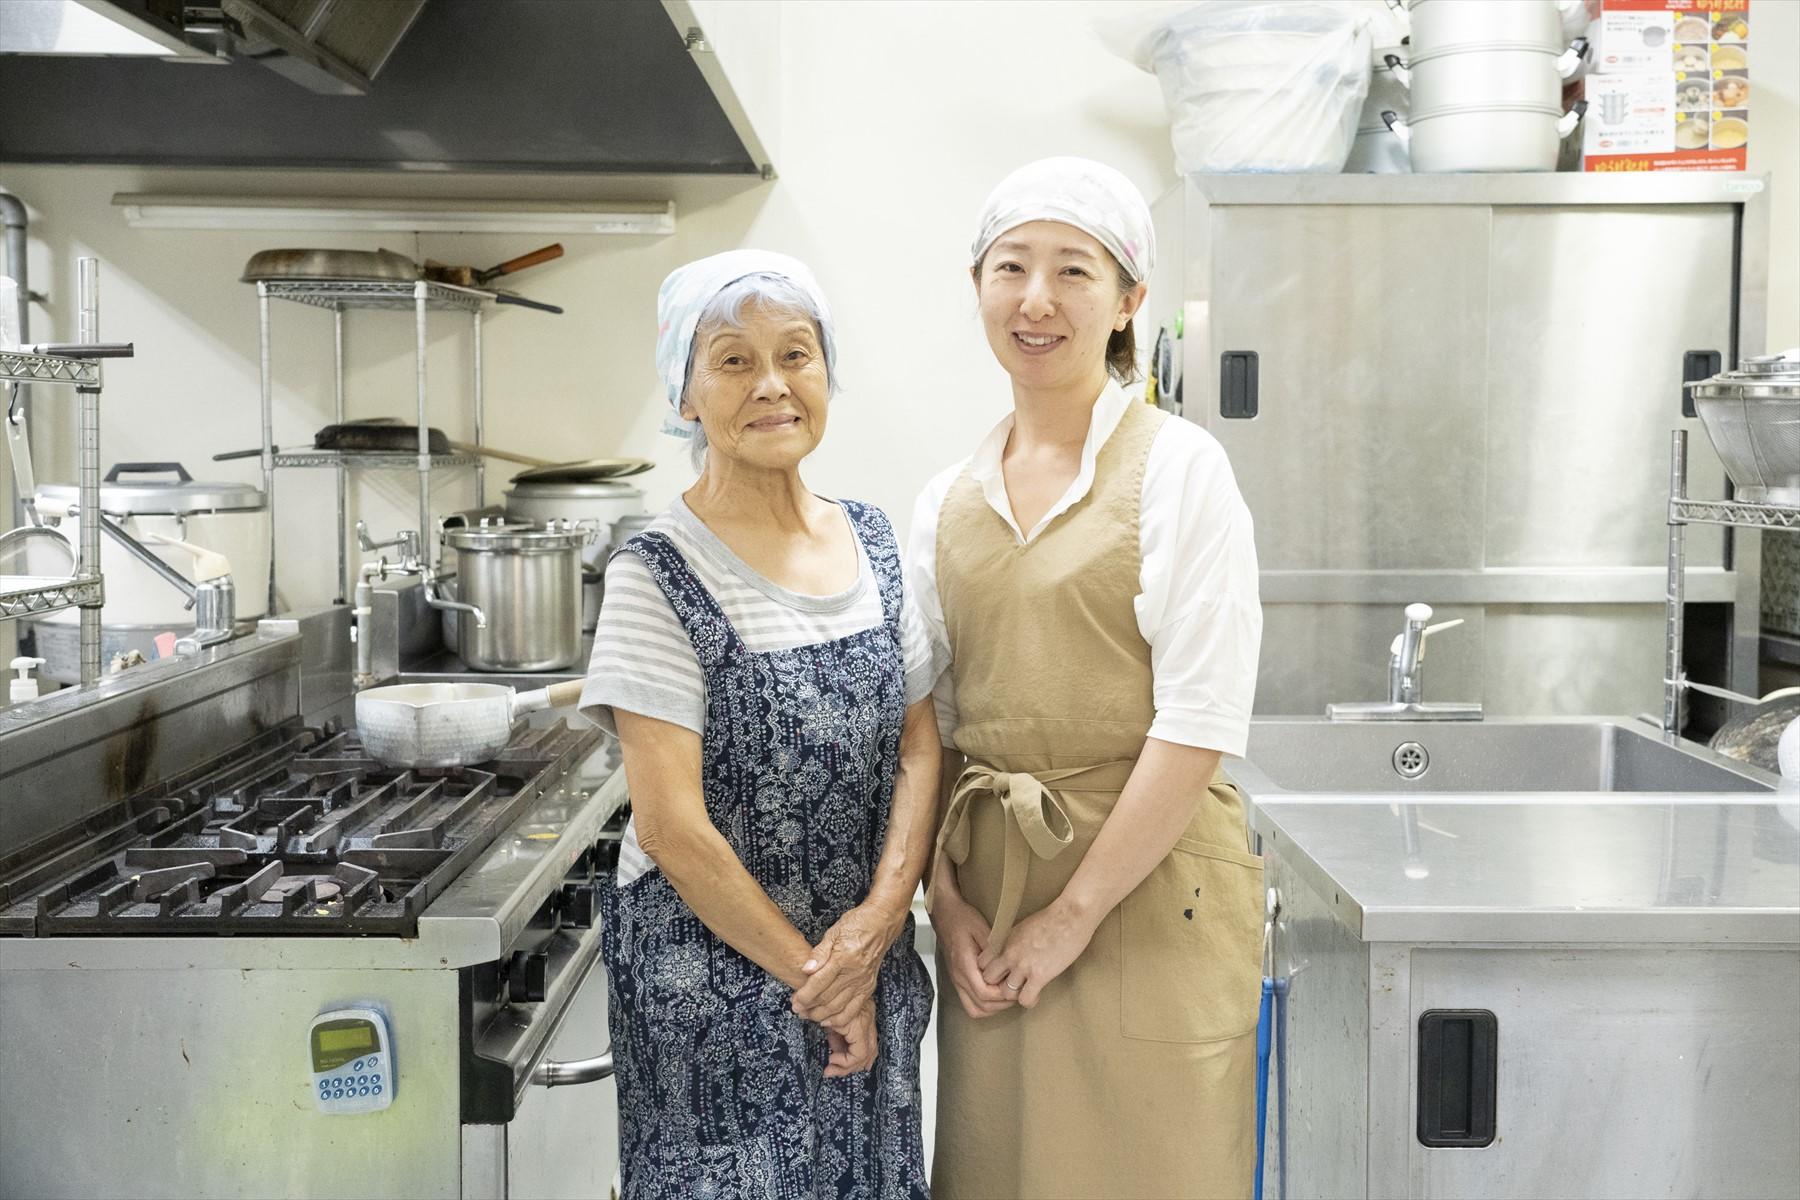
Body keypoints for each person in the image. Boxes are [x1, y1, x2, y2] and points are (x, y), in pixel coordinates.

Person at [909, 158, 1265, 1198]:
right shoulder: (945, 501)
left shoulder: (1180, 469)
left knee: (1154, 1167)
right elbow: (930, 723)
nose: (1036, 299)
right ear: (977, 286)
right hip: (995, 905)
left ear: (1127, 304)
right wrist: (942, 894)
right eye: (1011, 267)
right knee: (1000, 1171)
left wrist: (1076, 916)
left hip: (1148, 900)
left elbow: (1200, 718)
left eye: (1074, 271)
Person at [580, 249, 937, 1198]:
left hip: (868, 962)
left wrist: (875, 929)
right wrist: (823, 980)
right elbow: (671, 829)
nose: (772, 384)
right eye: (734, 360)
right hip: (713, 993)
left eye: (797, 354)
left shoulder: (875, 544)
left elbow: (919, 749)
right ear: (686, 393)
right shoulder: (654, 574)